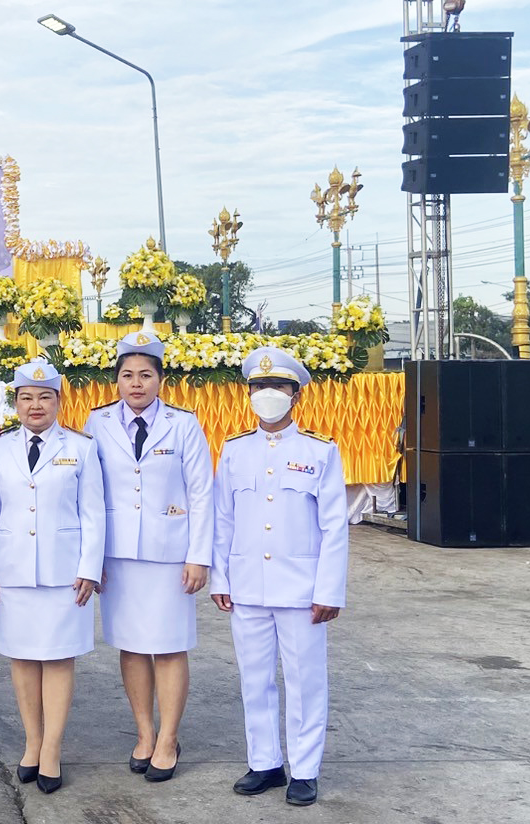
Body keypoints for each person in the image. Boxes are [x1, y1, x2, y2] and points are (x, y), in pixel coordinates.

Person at [211, 346, 349, 808]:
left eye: (278, 387)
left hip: (301, 589)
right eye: (259, 387)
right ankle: (266, 762)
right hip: (247, 585)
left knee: (305, 680)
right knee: (254, 678)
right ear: (248, 394)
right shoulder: (234, 451)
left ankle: (305, 770)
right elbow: (222, 519)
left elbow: (334, 526)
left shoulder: (320, 451)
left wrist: (329, 589)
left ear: (296, 396)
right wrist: (220, 578)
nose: (267, 395)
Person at [0, 358, 105, 794]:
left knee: (59, 657)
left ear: (58, 401)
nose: (35, 406)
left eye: (44, 397)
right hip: (11, 569)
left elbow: (94, 513)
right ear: (16, 403)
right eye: (26, 397)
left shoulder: (81, 447)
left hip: (65, 571)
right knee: (23, 657)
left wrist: (90, 567)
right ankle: (32, 742)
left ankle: (52, 749)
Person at [87, 331, 213, 782]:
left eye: (145, 375)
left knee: (170, 646)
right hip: (118, 554)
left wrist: (199, 557)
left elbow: (202, 493)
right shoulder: (97, 422)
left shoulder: (183, 424)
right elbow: (89, 492)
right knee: (132, 645)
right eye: (127, 375)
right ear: (116, 380)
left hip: (169, 555)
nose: (136, 383)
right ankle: (144, 732)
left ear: (161, 380)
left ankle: (169, 738)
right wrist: (91, 556)